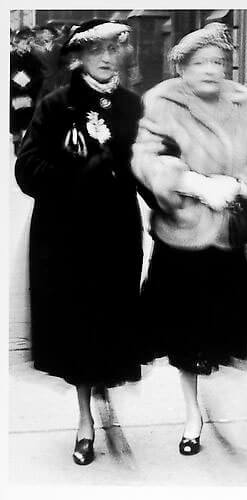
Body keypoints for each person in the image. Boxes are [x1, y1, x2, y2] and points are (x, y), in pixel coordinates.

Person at [131, 23, 247, 456]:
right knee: (183, 336)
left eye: (218, 62)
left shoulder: (246, 102)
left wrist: (241, 184)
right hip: (181, 234)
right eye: (200, 63)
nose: (211, 70)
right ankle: (191, 414)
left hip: (226, 235)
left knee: (218, 332)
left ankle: (204, 392)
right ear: (181, 65)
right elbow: (146, 157)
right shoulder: (163, 101)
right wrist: (192, 184)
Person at [15, 19, 144, 466]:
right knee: (76, 327)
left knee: (109, 322)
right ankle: (85, 419)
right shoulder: (56, 106)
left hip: (116, 234)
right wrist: (77, 174)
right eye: (95, 51)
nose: (106, 58)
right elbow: (27, 171)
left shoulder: (131, 105)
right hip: (67, 236)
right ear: (79, 57)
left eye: (112, 49)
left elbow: (147, 165)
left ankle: (100, 384)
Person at [10, 27, 43, 155]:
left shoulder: (33, 58)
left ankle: (26, 145)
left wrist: (30, 85)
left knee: (28, 121)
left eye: (27, 43)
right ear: (16, 43)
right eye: (22, 43)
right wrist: (14, 83)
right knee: (15, 123)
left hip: (28, 93)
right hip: (14, 94)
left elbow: (39, 75)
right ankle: (16, 145)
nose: (25, 46)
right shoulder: (9, 58)